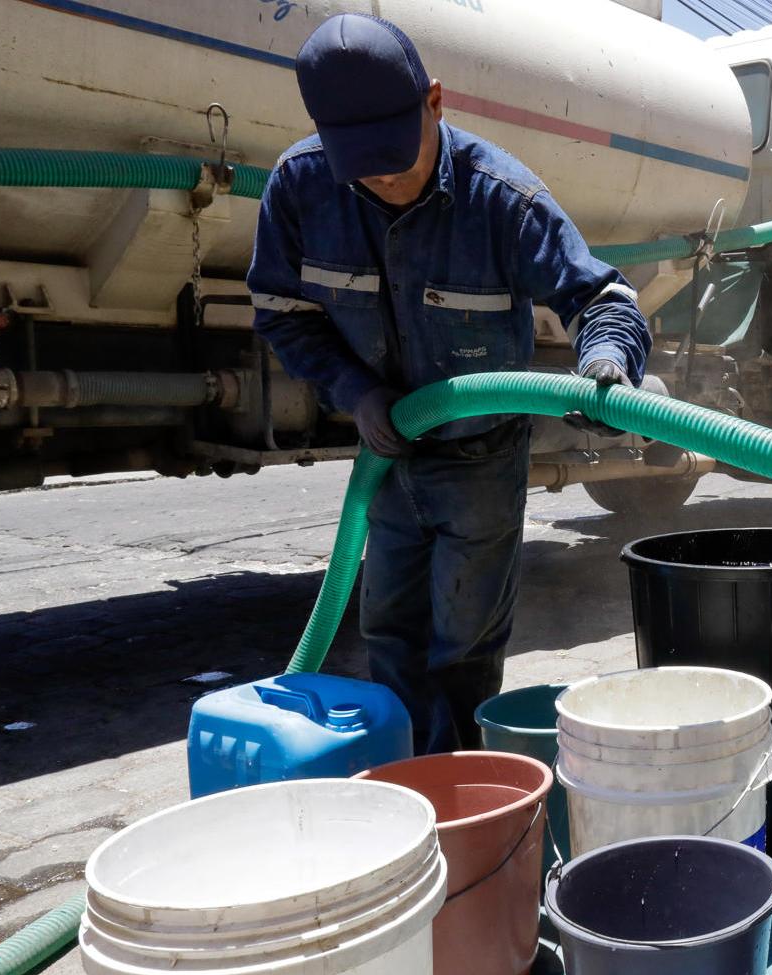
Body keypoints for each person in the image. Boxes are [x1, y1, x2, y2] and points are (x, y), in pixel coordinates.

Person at [248, 14, 651, 754]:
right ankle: (407, 785)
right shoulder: (302, 188)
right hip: (389, 454)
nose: (385, 180)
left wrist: (606, 363)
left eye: (396, 159)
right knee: (388, 633)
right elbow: (281, 315)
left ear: (434, 100)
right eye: (363, 166)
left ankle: (464, 784)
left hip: (480, 456)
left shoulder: (503, 198)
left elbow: (603, 301)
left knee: (461, 646)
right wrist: (356, 391)